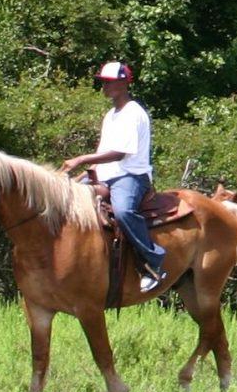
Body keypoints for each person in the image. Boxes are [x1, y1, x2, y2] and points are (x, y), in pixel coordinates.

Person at [61, 61, 166, 293]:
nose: (104, 87)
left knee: (123, 211)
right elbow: (103, 152)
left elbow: (120, 153)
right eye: (103, 82)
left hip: (130, 176)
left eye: (108, 82)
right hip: (107, 175)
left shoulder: (133, 113)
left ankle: (153, 263)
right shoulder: (111, 115)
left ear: (123, 83)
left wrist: (81, 159)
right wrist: (82, 176)